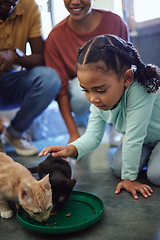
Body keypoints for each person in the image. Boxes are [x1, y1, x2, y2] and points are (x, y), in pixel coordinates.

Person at [39, 34, 160, 200]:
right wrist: (71, 149)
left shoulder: (140, 88)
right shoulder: (98, 100)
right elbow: (93, 136)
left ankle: (152, 159)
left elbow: (133, 137)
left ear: (127, 78)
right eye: (86, 90)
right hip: (146, 140)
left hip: (150, 137)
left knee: (156, 175)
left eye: (100, 90)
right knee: (118, 168)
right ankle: (150, 156)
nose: (93, 98)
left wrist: (129, 179)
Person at [44, 0, 129, 144]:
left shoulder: (115, 22)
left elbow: (128, 66)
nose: (75, 1)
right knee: (80, 91)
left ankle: (118, 124)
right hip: (79, 98)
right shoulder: (55, 37)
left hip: (117, 93)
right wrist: (73, 134)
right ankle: (84, 128)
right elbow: (61, 91)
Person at [0, 0, 61, 156]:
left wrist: (14, 56)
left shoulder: (28, 6)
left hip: (11, 82)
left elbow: (40, 58)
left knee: (49, 78)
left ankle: (14, 132)